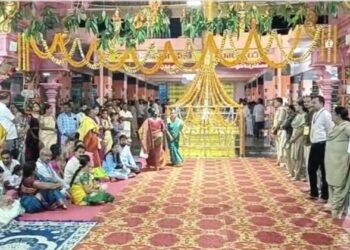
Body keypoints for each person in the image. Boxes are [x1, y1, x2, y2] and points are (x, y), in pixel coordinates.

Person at [324, 107, 350, 218]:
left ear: (339, 115)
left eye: (333, 113)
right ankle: (333, 204)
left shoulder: (346, 127)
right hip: (331, 161)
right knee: (331, 182)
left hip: (341, 161)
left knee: (339, 184)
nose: (332, 116)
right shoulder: (336, 127)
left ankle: (336, 208)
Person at [308, 95, 334, 203]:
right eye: (312, 102)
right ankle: (314, 192)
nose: (312, 104)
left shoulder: (326, 114)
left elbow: (330, 129)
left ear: (322, 103)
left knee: (324, 171)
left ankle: (324, 196)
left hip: (322, 144)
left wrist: (328, 144)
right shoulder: (314, 114)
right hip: (314, 144)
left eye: (315, 103)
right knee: (311, 169)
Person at [289, 100, 307, 180]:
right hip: (294, 134)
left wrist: (296, 137)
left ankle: (298, 174)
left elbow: (304, 129)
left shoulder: (305, 115)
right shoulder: (298, 115)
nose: (295, 107)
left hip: (300, 137)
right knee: (294, 155)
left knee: (299, 156)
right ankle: (295, 172)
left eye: (296, 105)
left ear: (301, 106)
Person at [272, 97, 287, 166]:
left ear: (280, 102)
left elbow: (280, 121)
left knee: (281, 146)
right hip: (277, 130)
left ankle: (283, 161)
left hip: (281, 130)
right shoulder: (278, 110)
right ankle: (279, 160)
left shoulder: (282, 110)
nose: (274, 104)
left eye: (275, 102)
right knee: (278, 146)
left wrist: (275, 130)